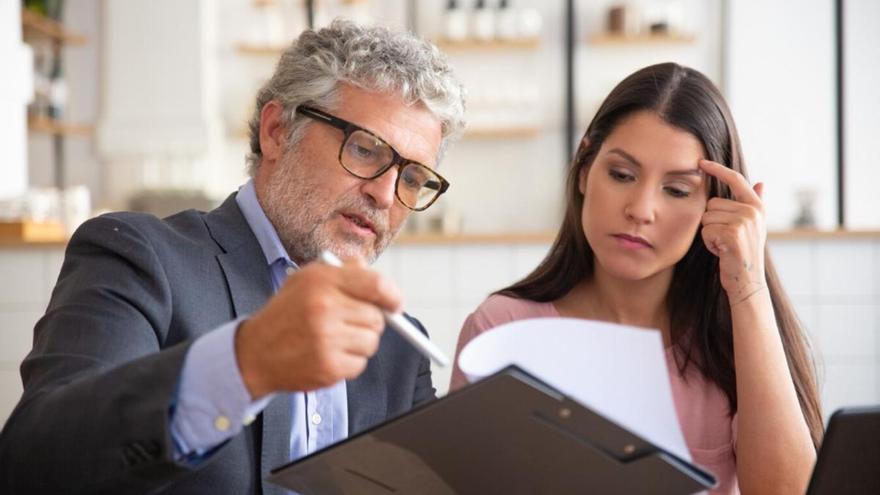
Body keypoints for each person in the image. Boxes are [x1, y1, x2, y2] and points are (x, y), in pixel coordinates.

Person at [0, 19, 465, 494]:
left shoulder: (397, 345)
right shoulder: (141, 257)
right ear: (277, 132)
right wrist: (244, 364)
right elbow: (33, 468)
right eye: (365, 150)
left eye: (411, 179)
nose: (386, 196)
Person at [450, 62, 822, 494]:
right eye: (622, 175)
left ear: (713, 206)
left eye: (678, 190)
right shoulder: (501, 329)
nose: (641, 209)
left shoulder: (732, 339)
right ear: (586, 169)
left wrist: (749, 285)